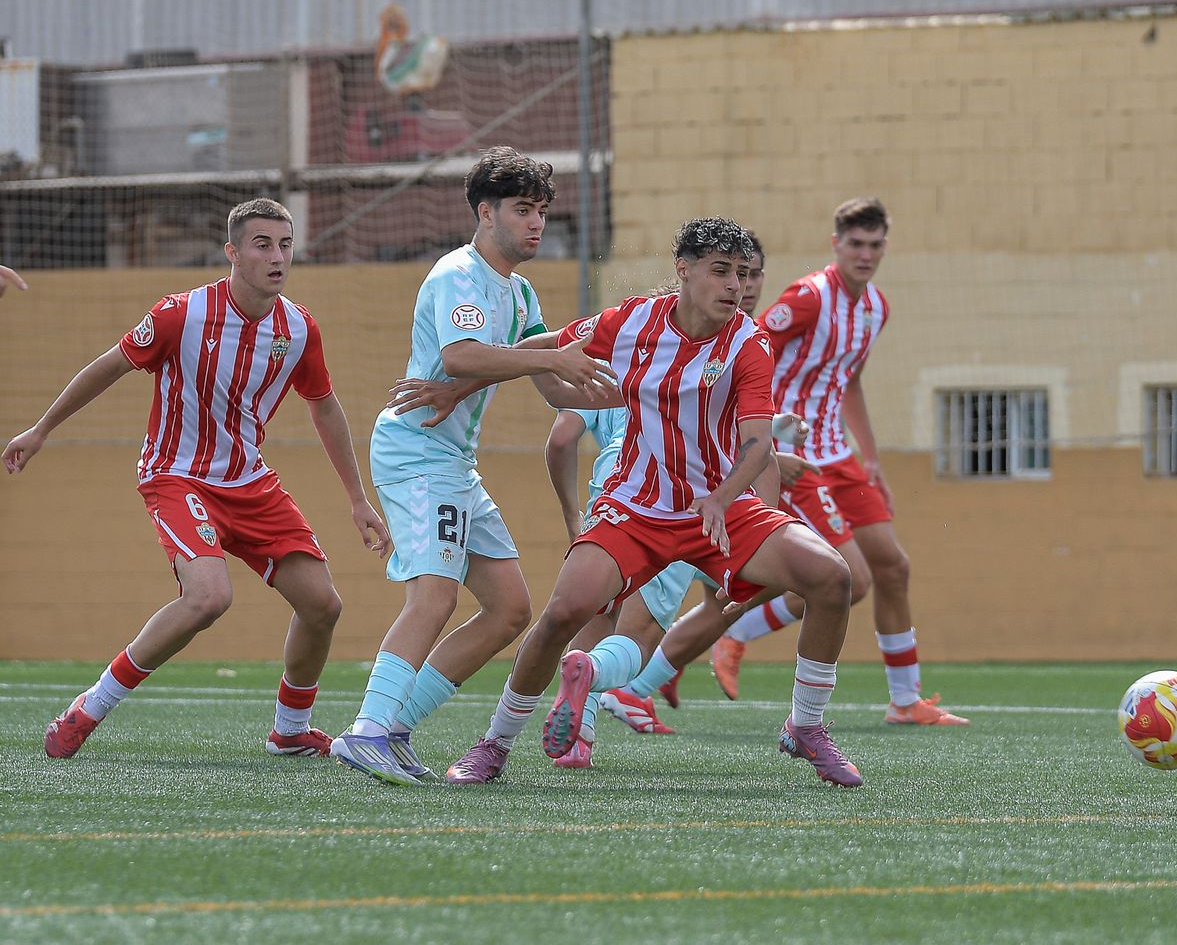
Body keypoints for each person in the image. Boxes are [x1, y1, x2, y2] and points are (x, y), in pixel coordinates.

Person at [444, 217, 862, 787]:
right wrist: (507, 378)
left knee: (833, 577)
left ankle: (806, 726)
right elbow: (542, 349)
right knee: (564, 613)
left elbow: (758, 442)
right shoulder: (632, 320)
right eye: (721, 271)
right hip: (635, 507)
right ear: (683, 270)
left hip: (719, 508)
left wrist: (721, 499)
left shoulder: (749, 342)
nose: (735, 286)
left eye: (742, 274)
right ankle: (493, 744)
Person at [4, 198, 391, 759]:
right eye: (263, 245)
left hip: (250, 483)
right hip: (176, 476)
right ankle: (90, 706)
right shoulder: (180, 314)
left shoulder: (299, 328)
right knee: (209, 598)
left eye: (285, 245)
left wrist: (358, 499)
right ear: (232, 252)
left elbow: (325, 406)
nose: (277, 257)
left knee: (323, 605)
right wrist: (41, 429)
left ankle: (290, 730)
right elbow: (110, 365)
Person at [330, 147, 617, 785]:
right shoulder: (459, 274)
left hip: (454, 461)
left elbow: (552, 381)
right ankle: (366, 732)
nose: (536, 223)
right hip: (417, 450)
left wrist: (641, 393)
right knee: (435, 594)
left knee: (510, 608)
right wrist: (551, 357)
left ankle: (395, 729)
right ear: (485, 213)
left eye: (541, 211)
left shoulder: (518, 290)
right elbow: (462, 355)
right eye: (522, 210)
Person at [709, 198, 968, 725]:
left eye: (875, 244)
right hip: (796, 453)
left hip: (839, 454)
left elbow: (850, 382)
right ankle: (732, 632)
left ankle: (905, 701)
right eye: (856, 244)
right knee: (851, 578)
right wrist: (756, 434)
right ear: (836, 245)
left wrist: (871, 459)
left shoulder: (876, 307)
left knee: (893, 568)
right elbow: (748, 347)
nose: (865, 254)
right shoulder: (808, 298)